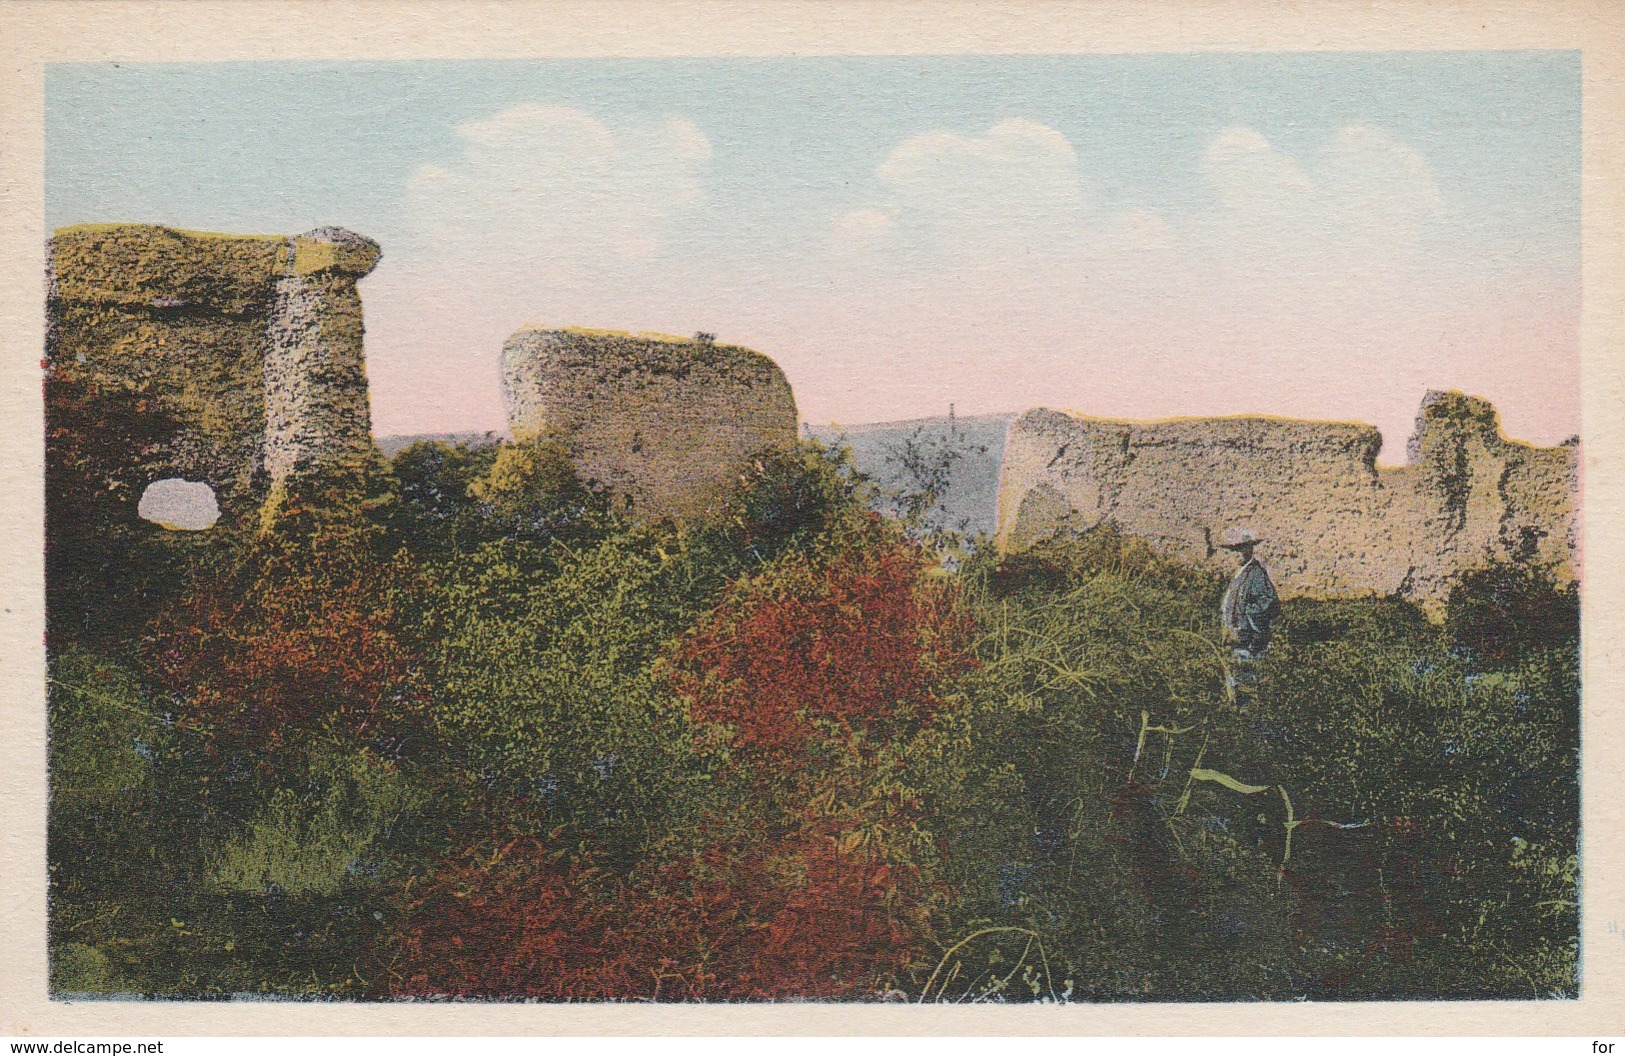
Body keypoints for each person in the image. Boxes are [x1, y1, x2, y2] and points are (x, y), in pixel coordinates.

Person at [1218, 526, 1279, 661]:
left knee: (1245, 677)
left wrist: (1247, 618)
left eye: (1240, 549)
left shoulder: (1256, 574)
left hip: (1247, 644)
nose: (1236, 553)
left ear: (1250, 549)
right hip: (1233, 640)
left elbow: (1268, 603)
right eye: (1232, 550)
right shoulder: (1239, 573)